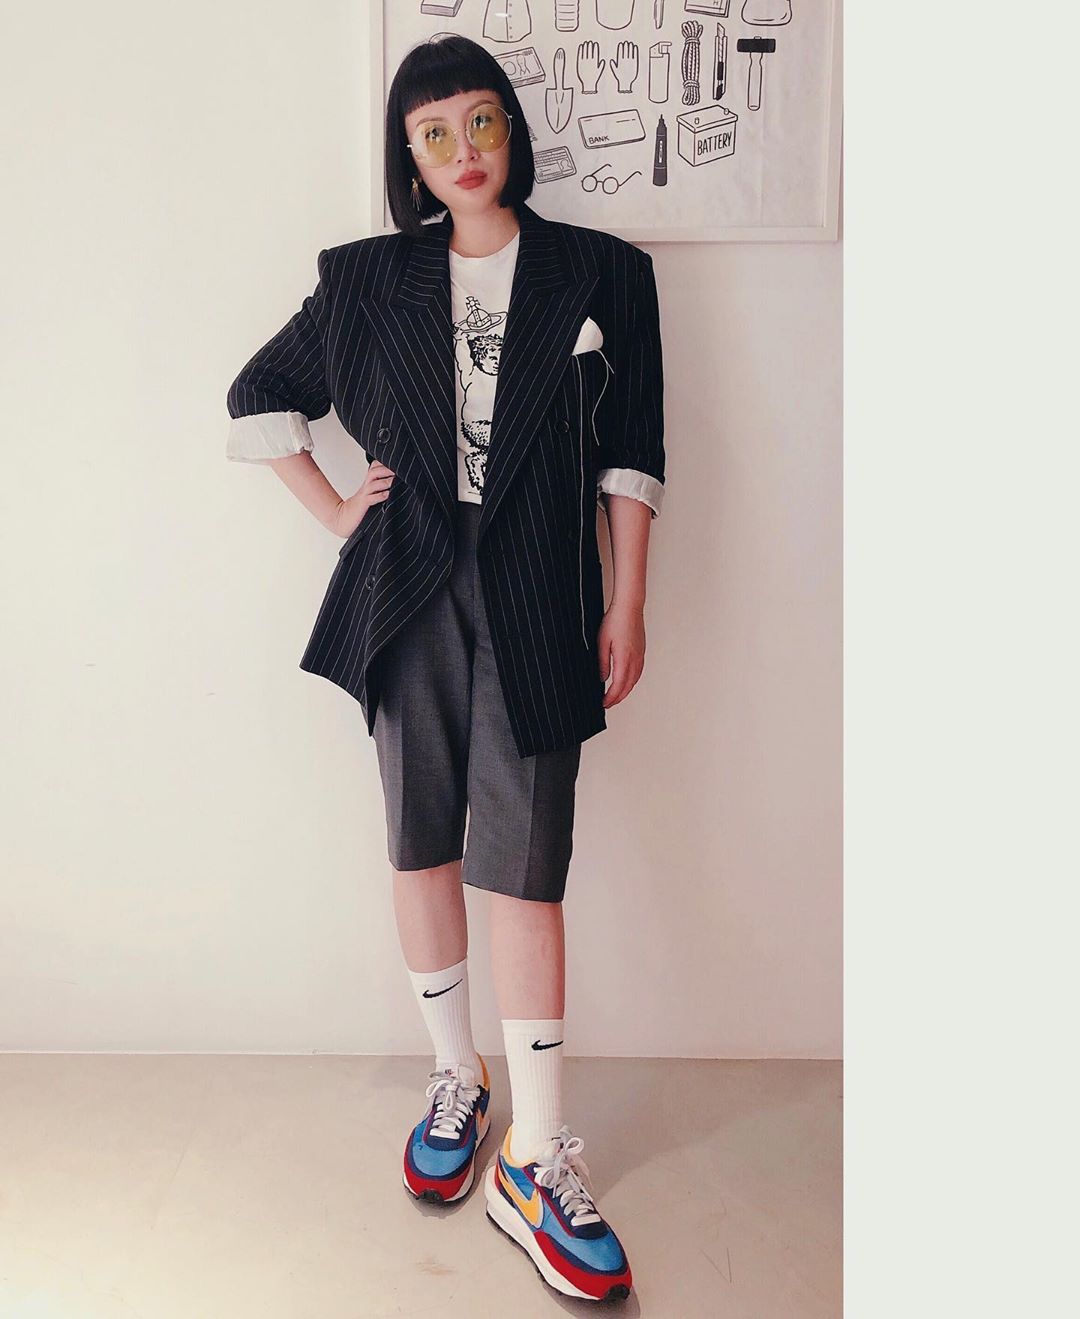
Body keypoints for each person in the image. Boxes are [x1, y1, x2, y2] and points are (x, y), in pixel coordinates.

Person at [224, 33, 665, 1304]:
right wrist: (337, 512)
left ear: (510, 129)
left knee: (526, 862)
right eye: (433, 134)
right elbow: (257, 395)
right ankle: (455, 1077)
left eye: (480, 122)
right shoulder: (367, 278)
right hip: (406, 585)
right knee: (419, 837)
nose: (462, 152)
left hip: (540, 592)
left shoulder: (603, 270)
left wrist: (628, 600)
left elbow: (632, 449)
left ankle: (537, 1152)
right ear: (408, 157)